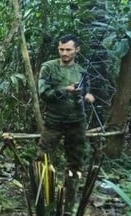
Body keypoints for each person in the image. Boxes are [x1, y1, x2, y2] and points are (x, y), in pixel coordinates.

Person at [37, 34, 95, 176]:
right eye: (61, 49)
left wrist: (88, 97)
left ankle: (70, 195)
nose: (64, 53)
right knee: (42, 157)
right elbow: (43, 93)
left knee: (75, 161)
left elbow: (86, 93)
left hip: (76, 121)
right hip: (54, 120)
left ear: (77, 50)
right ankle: (41, 193)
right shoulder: (48, 68)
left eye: (68, 49)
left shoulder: (82, 71)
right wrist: (64, 90)